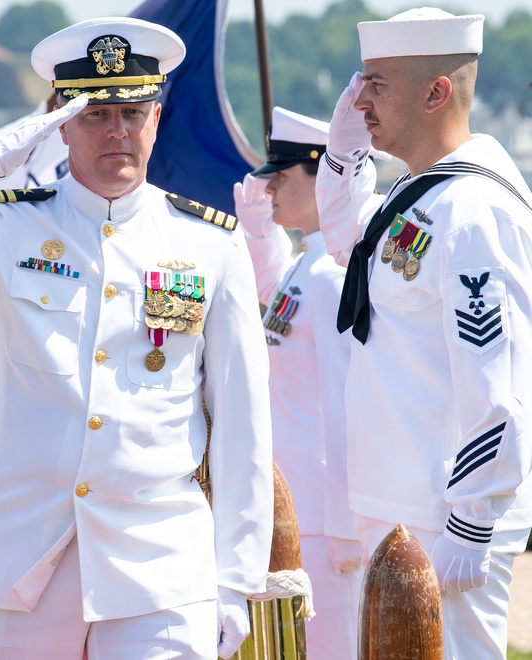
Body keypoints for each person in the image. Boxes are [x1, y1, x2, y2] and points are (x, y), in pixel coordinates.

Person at [0, 16, 274, 660]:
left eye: (133, 113)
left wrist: (237, 581)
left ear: (157, 119)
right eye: (96, 116)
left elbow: (244, 423)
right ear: (59, 122)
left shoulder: (209, 243)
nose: (118, 132)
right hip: (27, 561)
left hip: (158, 567)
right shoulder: (6, 223)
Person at [316, 8, 532, 658]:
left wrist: (471, 520)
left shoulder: (473, 212)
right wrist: (343, 153)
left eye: (377, 84)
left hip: (444, 520)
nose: (359, 98)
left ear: (436, 92)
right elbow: (345, 240)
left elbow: (498, 377)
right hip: (399, 505)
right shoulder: (421, 194)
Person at [233, 106, 361, 658]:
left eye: (280, 178)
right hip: (294, 508)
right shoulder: (309, 264)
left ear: (320, 176)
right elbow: (273, 302)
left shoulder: (333, 275)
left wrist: (345, 526)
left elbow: (345, 404)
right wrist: (258, 232)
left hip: (321, 517)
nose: (268, 188)